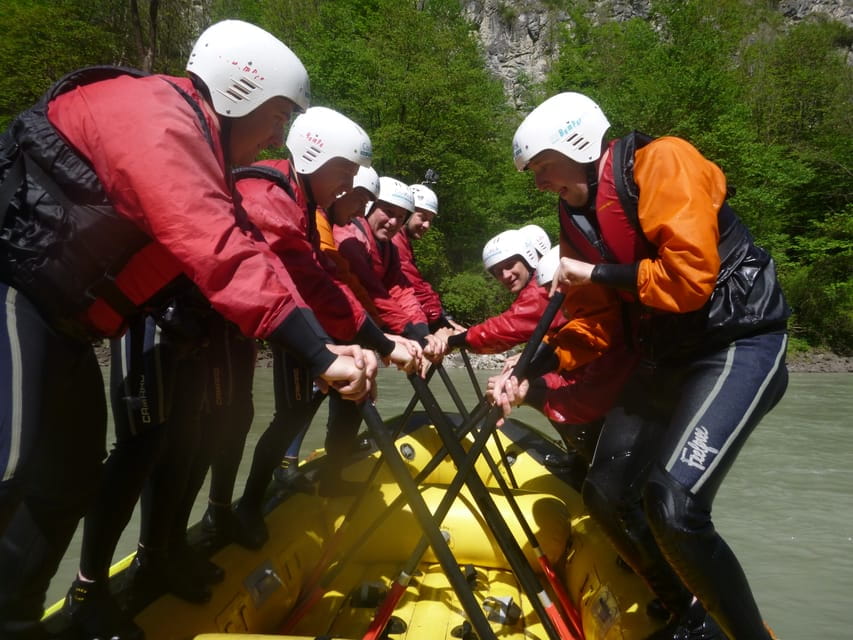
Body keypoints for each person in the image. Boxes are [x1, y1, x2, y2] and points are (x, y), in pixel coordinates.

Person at [0, 19, 376, 639]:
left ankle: (18, 618)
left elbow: (253, 254)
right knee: (12, 467)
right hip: (13, 288)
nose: (280, 134)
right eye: (277, 115)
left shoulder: (201, 147)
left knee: (69, 478)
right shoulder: (157, 116)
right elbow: (216, 245)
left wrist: (324, 344)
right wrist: (317, 352)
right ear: (238, 94)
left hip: (62, 320)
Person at [496, 91, 790, 639]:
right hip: (666, 356)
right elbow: (596, 324)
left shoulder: (662, 161)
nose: (538, 183)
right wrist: (531, 370)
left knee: (672, 503)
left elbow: (687, 280)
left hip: (736, 343)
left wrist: (595, 273)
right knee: (605, 492)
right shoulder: (575, 211)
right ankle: (685, 611)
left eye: (541, 168)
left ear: (576, 146)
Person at [203, 107, 422, 548]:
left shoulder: (304, 204)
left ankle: (233, 510)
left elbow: (322, 282)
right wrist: (367, 344)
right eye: (345, 178)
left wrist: (374, 341)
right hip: (229, 326)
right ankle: (218, 517)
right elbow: (310, 283)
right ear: (311, 158)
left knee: (249, 417)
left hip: (278, 325)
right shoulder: (273, 196)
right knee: (200, 433)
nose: (352, 192)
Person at [392, 183, 456, 331]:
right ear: (407, 213)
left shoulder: (401, 241)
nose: (426, 225)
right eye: (422, 217)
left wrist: (442, 315)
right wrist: (439, 320)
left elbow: (419, 284)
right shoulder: (395, 241)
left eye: (430, 220)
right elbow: (413, 286)